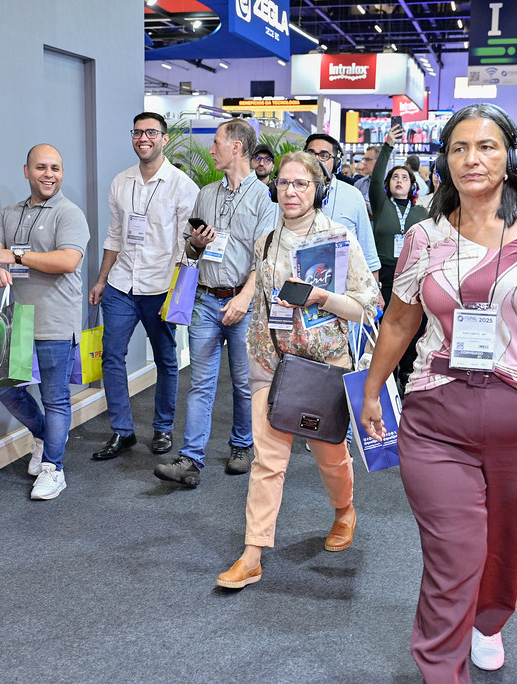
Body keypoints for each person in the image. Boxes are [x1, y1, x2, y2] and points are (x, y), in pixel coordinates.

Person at [359, 103, 517, 681]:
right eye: (459, 148)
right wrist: (371, 391)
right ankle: (441, 669)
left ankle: (488, 620)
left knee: (506, 539)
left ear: (510, 156)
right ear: (444, 160)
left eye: (486, 146)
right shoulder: (424, 237)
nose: (472, 159)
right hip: (436, 414)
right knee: (455, 553)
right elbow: (399, 321)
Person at [216, 151, 379, 590]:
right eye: (284, 183)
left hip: (324, 366)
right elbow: (263, 305)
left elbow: (367, 306)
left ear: (318, 189)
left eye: (301, 183)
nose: (291, 191)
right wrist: (256, 355)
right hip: (273, 363)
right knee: (267, 462)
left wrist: (322, 297)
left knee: (330, 456)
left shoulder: (339, 239)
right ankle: (252, 555)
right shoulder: (266, 242)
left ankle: (344, 511)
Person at [154, 119, 277, 487]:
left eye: (217, 143)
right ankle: (190, 459)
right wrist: (196, 243)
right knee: (201, 384)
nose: (211, 150)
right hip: (205, 300)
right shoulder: (205, 194)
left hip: (245, 304)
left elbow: (264, 260)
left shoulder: (264, 199)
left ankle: (241, 445)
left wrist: (243, 298)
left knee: (244, 383)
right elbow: (190, 249)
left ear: (236, 147)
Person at [0, 143, 89, 500]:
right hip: (16, 322)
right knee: (3, 387)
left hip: (56, 321)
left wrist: (15, 256)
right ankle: (43, 435)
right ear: (26, 171)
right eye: (41, 167)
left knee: (55, 397)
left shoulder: (69, 214)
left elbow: (67, 261)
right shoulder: (9, 214)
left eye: (55, 168)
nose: (49, 174)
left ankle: (53, 469)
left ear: (62, 173)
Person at [88, 112, 199, 461]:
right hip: (121, 284)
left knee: (166, 359)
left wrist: (177, 293)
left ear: (164, 138)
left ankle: (163, 427)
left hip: (160, 287)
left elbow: (186, 246)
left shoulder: (183, 186)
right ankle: (122, 431)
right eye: (137, 132)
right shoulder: (121, 182)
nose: (143, 138)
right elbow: (114, 235)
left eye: (151, 132)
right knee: (111, 356)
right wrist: (102, 279)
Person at [368, 124, 429, 388]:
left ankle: (407, 377)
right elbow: (374, 179)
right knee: (385, 328)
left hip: (413, 274)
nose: (399, 181)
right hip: (385, 273)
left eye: (405, 177)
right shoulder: (381, 204)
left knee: (413, 327)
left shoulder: (421, 212)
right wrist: (387, 146)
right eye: (395, 177)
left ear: (413, 185)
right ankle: (386, 378)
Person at [302, 133, 383, 305]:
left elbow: (367, 247)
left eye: (324, 155)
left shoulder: (353, 195)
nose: (316, 160)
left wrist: (375, 290)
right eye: (311, 154)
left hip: (346, 293)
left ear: (336, 162)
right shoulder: (291, 192)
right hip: (301, 289)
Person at [352, 144, 384, 214]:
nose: (364, 163)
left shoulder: (390, 182)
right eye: (364, 159)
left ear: (380, 161)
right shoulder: (359, 184)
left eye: (368, 159)